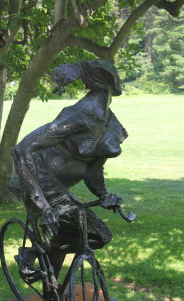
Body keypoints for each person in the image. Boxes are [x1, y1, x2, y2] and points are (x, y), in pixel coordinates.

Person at [12, 59, 128, 279]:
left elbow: (93, 168)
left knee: (100, 236)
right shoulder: (77, 117)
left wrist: (103, 194)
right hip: (38, 177)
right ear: (104, 85)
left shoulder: (111, 124)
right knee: (85, 225)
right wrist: (42, 205)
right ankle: (34, 253)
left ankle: (41, 259)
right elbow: (21, 150)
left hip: (60, 185)